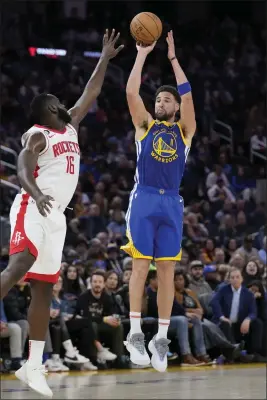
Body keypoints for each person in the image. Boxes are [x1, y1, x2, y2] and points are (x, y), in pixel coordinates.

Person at [0, 30, 123, 397]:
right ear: (49, 109)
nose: (66, 104)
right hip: (32, 206)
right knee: (20, 265)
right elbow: (23, 166)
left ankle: (33, 365)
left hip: (56, 217)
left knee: (44, 289)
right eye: (58, 101)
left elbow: (92, 93)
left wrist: (103, 58)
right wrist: (35, 193)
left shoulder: (69, 127)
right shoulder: (38, 134)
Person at [121, 30, 196, 372]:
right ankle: (136, 333)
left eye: (166, 101)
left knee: (167, 270)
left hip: (172, 204)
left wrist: (173, 60)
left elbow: (188, 93)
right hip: (145, 199)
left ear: (176, 106)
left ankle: (160, 339)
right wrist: (142, 54)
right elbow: (131, 91)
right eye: (158, 101)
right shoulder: (145, 126)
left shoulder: (185, 131)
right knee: (140, 266)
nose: (160, 104)